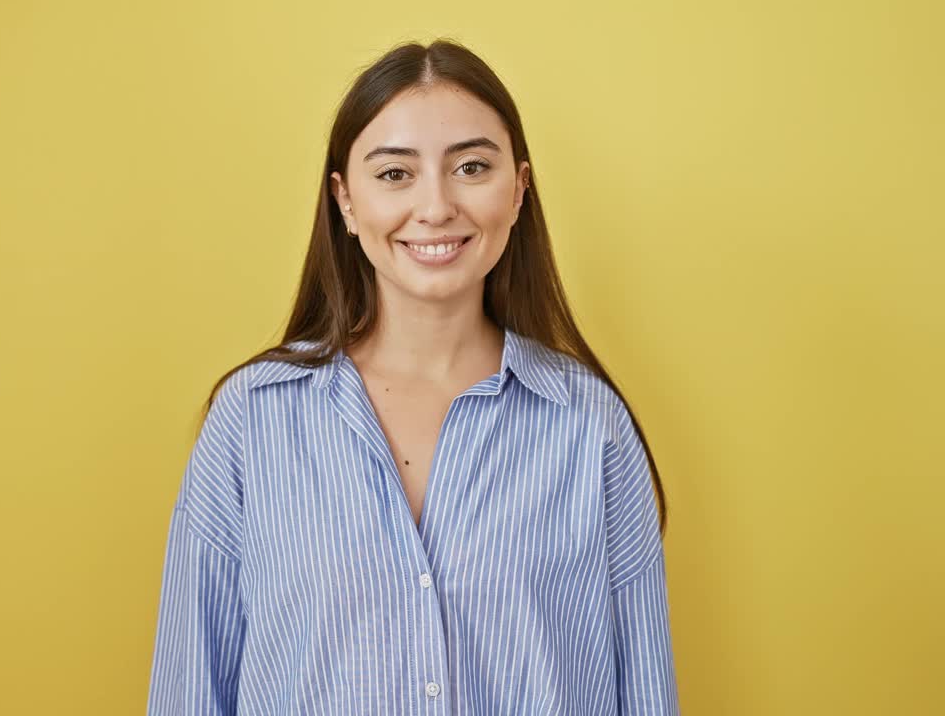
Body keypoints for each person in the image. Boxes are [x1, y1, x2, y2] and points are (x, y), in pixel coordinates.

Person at [147, 38, 679, 715]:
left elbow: (646, 697)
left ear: (518, 190)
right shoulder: (251, 421)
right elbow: (189, 695)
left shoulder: (590, 427)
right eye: (395, 173)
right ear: (344, 201)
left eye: (472, 167)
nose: (434, 207)